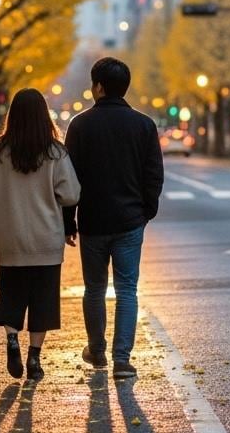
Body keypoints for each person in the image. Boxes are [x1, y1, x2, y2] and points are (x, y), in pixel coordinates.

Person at [63, 57, 164, 380]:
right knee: (127, 289)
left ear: (99, 87)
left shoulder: (80, 125)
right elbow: (154, 175)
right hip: (130, 220)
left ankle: (97, 351)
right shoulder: (143, 125)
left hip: (93, 220)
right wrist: (146, 211)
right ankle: (123, 359)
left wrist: (69, 220)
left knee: (94, 289)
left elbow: (69, 179)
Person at [0, 88, 81, 381]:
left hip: (10, 240)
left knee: (11, 291)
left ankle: (12, 339)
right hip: (46, 239)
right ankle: (35, 357)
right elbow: (71, 193)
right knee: (43, 298)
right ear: (43, 115)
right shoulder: (55, 152)